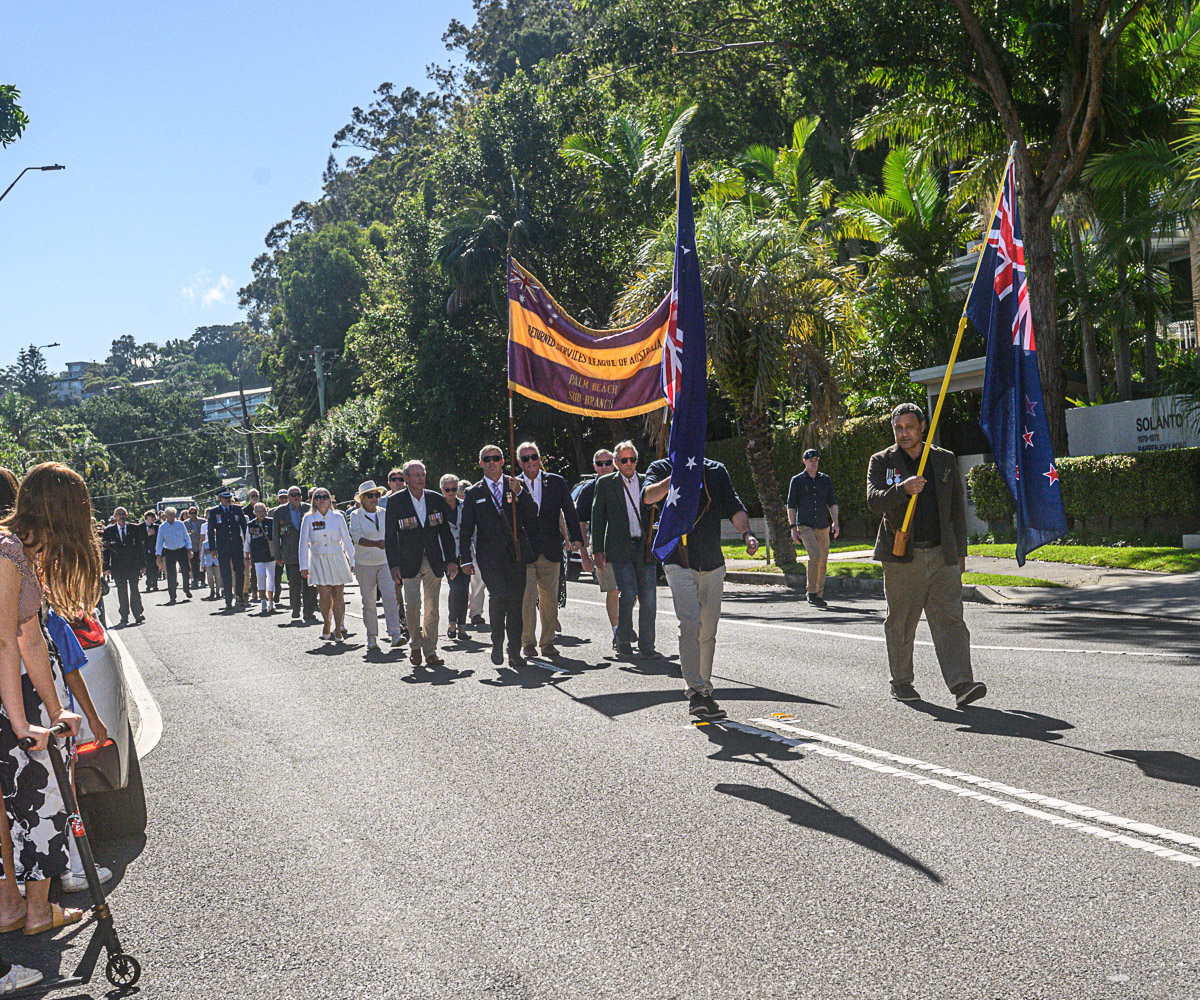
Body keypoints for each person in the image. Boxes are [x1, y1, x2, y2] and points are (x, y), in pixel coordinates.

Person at [0, 463, 93, 946]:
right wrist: (21, 723)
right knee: (37, 799)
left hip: (18, 692)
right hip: (7, 697)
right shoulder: (6, 552)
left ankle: (24, 906)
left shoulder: (21, 554)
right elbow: (3, 641)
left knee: (32, 801)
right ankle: (33, 908)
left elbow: (31, 637)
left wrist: (56, 710)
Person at [867, 403, 986, 708]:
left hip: (941, 554)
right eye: (898, 428)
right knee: (902, 622)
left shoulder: (944, 459)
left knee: (951, 620)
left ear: (922, 427)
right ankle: (901, 682)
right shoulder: (882, 461)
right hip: (901, 557)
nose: (904, 433)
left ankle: (961, 683)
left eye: (909, 427)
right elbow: (873, 501)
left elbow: (956, 509)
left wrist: (960, 553)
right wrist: (902, 489)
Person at [643, 456, 759, 720]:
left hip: (712, 563)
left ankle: (704, 690)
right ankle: (695, 691)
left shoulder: (716, 470)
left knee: (708, 631)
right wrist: (675, 478)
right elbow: (648, 496)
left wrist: (747, 533)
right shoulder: (661, 468)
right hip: (678, 561)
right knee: (690, 624)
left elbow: (734, 506)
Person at [458, 446, 537, 668]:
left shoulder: (515, 485)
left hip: (515, 554)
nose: (491, 462)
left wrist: (520, 492)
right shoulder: (474, 493)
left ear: (503, 461)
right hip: (489, 557)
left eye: (496, 458)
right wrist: (465, 559)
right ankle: (497, 642)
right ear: (481, 463)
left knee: (515, 602)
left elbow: (532, 513)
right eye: (487, 459)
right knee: (499, 596)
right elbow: (466, 529)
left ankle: (514, 650)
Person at [385, 461, 458, 667]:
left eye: (423, 474)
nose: (421, 478)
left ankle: (430, 650)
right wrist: (394, 565)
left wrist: (451, 560)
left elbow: (445, 532)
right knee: (413, 605)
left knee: (432, 607)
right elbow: (390, 536)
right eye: (416, 475)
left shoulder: (435, 499)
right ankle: (415, 645)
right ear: (406, 479)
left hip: (433, 561)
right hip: (408, 562)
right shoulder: (396, 501)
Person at [590, 441, 657, 659]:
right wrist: (597, 550)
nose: (629, 464)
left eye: (632, 459)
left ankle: (647, 646)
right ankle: (623, 639)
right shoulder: (606, 483)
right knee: (627, 593)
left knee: (648, 598)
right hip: (620, 548)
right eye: (624, 460)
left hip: (644, 547)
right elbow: (597, 517)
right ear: (617, 462)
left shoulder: (648, 482)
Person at [515, 441, 582, 659]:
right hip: (524, 551)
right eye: (525, 458)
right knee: (526, 598)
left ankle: (548, 642)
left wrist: (576, 537)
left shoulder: (556, 481)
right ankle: (528, 642)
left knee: (549, 600)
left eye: (534, 456)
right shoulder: (513, 485)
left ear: (540, 458)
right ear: (519, 462)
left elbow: (569, 510)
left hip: (551, 549)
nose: (531, 461)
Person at [575, 449, 622, 649]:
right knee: (613, 590)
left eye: (608, 463)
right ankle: (617, 632)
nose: (604, 467)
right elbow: (581, 525)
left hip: (627, 546)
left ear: (615, 464)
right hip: (602, 548)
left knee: (633, 591)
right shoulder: (588, 491)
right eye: (600, 464)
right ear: (594, 466)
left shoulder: (625, 484)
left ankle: (624, 624)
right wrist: (584, 555)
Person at [349, 481, 403, 651]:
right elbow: (357, 538)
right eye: (370, 496)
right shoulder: (355, 515)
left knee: (390, 597)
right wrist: (377, 543)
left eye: (376, 495)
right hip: (364, 563)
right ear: (362, 499)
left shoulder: (384, 513)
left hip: (385, 561)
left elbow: (393, 534)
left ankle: (395, 634)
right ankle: (371, 637)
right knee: (369, 601)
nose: (374, 498)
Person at [299, 488, 354, 642]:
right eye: (318, 497)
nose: (321, 500)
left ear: (330, 500)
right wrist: (304, 565)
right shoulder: (308, 518)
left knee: (338, 595)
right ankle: (327, 622)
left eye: (325, 497)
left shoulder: (338, 517)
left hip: (336, 558)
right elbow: (303, 543)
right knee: (324, 595)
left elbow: (346, 539)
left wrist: (352, 560)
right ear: (314, 501)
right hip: (318, 559)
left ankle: (338, 628)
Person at [787, 448, 840, 608]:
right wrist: (793, 527)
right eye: (811, 461)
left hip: (823, 525)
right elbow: (791, 505)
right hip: (805, 525)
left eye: (816, 460)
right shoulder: (797, 480)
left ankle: (818, 594)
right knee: (815, 555)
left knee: (823, 560)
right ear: (805, 462)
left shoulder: (825, 480)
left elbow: (832, 502)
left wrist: (835, 522)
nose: (814, 463)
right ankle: (811, 591)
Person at [271, 486, 317, 622]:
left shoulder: (308, 508)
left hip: (308, 552)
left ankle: (308, 612)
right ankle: (296, 609)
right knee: (294, 583)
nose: (296, 497)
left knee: (309, 584)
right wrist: (277, 555)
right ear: (288, 497)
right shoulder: (280, 512)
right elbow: (275, 535)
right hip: (290, 552)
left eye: (298, 494)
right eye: (293, 495)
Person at [101, 507, 145, 625]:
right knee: (122, 591)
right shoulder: (109, 531)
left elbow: (140, 547)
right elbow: (106, 551)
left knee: (134, 589)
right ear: (115, 516)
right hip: (118, 567)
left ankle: (138, 614)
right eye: (119, 514)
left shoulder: (134, 528)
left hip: (133, 565)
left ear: (126, 515)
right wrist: (106, 567)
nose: (121, 516)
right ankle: (124, 615)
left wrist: (143, 564)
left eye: (123, 514)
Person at [206, 489, 248, 611]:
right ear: (220, 498)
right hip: (223, 547)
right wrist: (212, 548)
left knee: (239, 572)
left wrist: (247, 545)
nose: (228, 500)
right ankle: (228, 599)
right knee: (226, 573)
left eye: (229, 497)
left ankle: (239, 597)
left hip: (237, 546)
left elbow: (244, 528)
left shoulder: (237, 509)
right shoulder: (214, 512)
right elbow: (210, 531)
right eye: (225, 498)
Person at [440, 475, 470, 641]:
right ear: (442, 490)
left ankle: (462, 627)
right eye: (447, 489)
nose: (451, 492)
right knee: (455, 588)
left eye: (454, 489)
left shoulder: (464, 506)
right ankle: (452, 623)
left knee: (464, 590)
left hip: (464, 553)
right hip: (446, 554)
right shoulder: (438, 508)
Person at [154, 506, 192, 603]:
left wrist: (189, 550)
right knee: (171, 574)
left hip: (181, 550)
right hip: (169, 551)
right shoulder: (162, 527)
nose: (172, 517)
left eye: (173, 515)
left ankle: (186, 588)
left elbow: (186, 537)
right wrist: (158, 556)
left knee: (185, 570)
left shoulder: (180, 524)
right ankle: (172, 596)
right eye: (170, 515)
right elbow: (159, 542)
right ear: (166, 516)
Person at [244, 503, 276, 614]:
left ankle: (271, 602)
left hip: (270, 555)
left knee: (271, 578)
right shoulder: (251, 525)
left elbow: (277, 538)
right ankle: (263, 601)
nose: (261, 513)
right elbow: (247, 541)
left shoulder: (271, 522)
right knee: (261, 577)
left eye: (263, 511)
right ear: (254, 513)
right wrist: (247, 557)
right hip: (257, 556)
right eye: (258, 511)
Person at [242, 489, 261, 603]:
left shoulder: (262, 508)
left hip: (262, 543)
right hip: (250, 541)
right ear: (249, 497)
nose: (255, 497)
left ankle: (262, 590)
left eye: (256, 495)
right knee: (252, 569)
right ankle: (253, 591)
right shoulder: (244, 511)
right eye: (253, 495)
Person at [183, 507, 204, 590]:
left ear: (197, 513)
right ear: (189, 514)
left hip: (201, 545)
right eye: (191, 513)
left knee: (202, 564)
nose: (193, 515)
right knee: (194, 564)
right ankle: (195, 580)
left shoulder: (202, 521)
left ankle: (202, 580)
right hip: (191, 547)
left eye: (194, 513)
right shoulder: (185, 523)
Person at [140, 510, 159, 592]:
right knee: (148, 567)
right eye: (151, 517)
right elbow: (139, 538)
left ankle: (155, 584)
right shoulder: (140, 527)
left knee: (155, 567)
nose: (153, 519)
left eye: (154, 517)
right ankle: (148, 583)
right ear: (147, 517)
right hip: (145, 550)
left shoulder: (156, 527)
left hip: (154, 549)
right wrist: (146, 535)